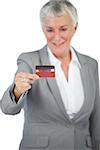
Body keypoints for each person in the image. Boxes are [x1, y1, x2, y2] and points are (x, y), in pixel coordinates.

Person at [0, 0, 100, 149]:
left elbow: (96, 116)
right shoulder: (29, 60)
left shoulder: (91, 65)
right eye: (50, 30)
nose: (57, 37)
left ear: (75, 27)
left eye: (63, 29)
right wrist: (17, 90)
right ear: (42, 29)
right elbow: (8, 109)